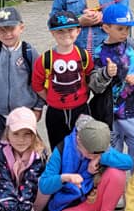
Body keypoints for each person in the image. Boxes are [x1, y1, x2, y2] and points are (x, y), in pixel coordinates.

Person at [38, 116, 134, 211]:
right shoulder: (61, 150)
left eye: (98, 153)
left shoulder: (97, 144)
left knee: (117, 173)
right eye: (91, 153)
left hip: (95, 199)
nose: (94, 156)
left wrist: (102, 158)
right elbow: (44, 185)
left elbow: (129, 163)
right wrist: (64, 178)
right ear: (78, 140)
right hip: (71, 205)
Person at [88, 3, 134, 161]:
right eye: (120, 28)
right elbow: (94, 85)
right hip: (109, 115)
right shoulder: (99, 52)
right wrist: (106, 73)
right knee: (112, 155)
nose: (125, 32)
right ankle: (114, 177)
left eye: (127, 28)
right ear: (106, 28)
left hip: (132, 111)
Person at [0, 6, 41, 136]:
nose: (7, 34)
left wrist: (38, 107)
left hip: (24, 113)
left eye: (11, 28)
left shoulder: (29, 52)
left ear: (21, 27)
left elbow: (40, 81)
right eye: (2, 30)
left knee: (23, 143)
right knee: (0, 145)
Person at [32, 11, 93, 150]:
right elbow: (37, 84)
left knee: (84, 146)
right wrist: (50, 98)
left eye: (70, 30)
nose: (66, 34)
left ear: (78, 31)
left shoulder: (83, 55)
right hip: (55, 112)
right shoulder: (45, 59)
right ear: (52, 33)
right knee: (58, 148)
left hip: (81, 109)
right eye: (60, 31)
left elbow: (90, 77)